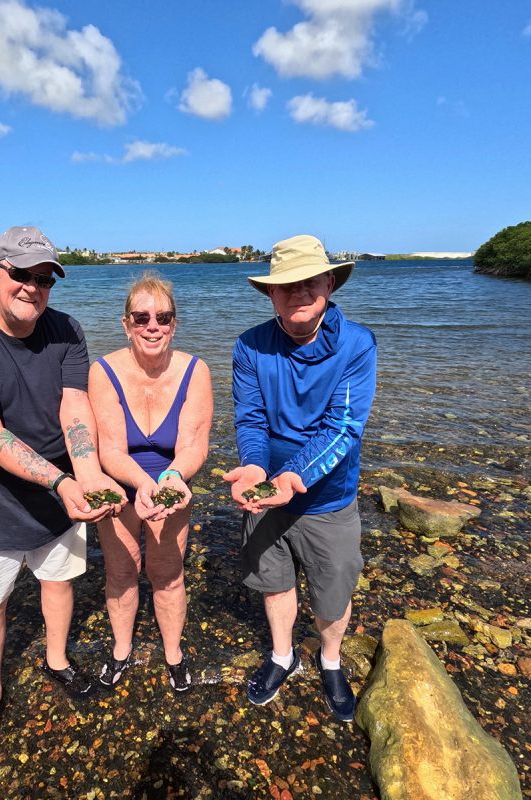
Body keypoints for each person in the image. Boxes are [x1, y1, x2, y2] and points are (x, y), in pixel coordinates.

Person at [0, 225, 125, 757]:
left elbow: (74, 406)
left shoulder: (65, 329)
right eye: (21, 275)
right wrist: (63, 481)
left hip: (58, 495)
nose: (33, 287)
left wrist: (86, 473)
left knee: (58, 582)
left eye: (44, 279)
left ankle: (56, 659)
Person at [223, 234, 376, 722]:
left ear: (329, 283)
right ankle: (282, 655)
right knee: (275, 582)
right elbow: (250, 419)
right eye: (286, 285)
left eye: (309, 281)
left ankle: (330, 661)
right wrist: (254, 467)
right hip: (266, 494)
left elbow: (343, 427)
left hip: (329, 498)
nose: (299, 292)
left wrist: (292, 476)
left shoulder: (357, 344)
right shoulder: (249, 346)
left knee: (333, 591)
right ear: (270, 293)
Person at [88, 272, 213, 693]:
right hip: (121, 486)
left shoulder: (195, 371)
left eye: (163, 317)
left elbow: (194, 444)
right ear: (126, 324)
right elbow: (109, 451)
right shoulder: (103, 371)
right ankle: (122, 649)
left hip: (173, 486)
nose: (152, 326)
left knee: (168, 573)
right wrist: (143, 485)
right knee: (122, 572)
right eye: (141, 318)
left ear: (174, 323)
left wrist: (173, 478)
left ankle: (173, 653)